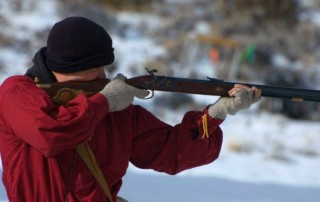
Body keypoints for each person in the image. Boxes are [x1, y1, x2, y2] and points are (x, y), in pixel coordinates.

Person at [0, 16, 261, 202]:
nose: (103, 75)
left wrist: (216, 114)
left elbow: (172, 153)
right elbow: (50, 134)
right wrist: (104, 102)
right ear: (69, 67)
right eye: (96, 68)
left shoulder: (117, 112)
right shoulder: (17, 92)